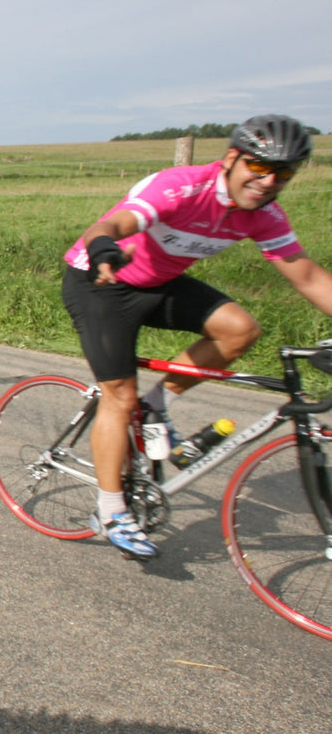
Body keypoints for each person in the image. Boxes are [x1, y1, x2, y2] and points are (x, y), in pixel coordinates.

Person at [63, 114, 332, 561]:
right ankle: (110, 512)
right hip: (103, 282)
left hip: (159, 284)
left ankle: (159, 402)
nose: (268, 182)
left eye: (282, 173)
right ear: (232, 158)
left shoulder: (263, 215)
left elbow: (307, 276)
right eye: (259, 167)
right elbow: (109, 226)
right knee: (119, 397)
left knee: (240, 329)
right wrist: (104, 247)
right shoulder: (181, 186)